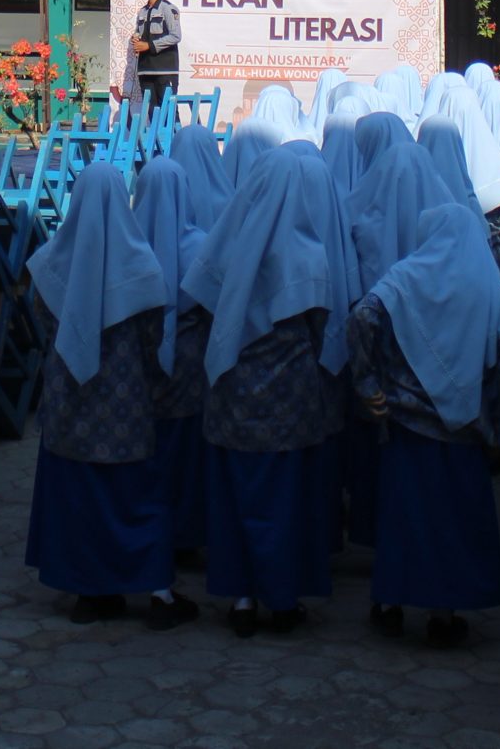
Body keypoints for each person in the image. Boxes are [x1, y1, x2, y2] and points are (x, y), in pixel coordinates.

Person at [180, 143, 357, 637]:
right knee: (285, 498)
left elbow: (203, 302)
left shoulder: (223, 243)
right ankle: (282, 599)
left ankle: (240, 598)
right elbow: (323, 326)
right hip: (290, 403)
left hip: (233, 393)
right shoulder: (308, 252)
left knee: (237, 492)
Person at [348, 201, 500, 645]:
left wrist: (368, 383)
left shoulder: (407, 276)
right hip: (465, 431)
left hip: (406, 426)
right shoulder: (487, 284)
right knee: (452, 520)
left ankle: (390, 603)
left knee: (404, 515)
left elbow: (362, 317)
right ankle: (443, 614)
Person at [22, 161, 194, 627]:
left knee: (78, 496)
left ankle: (90, 592)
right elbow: (151, 338)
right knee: (135, 496)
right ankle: (157, 592)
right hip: (125, 409)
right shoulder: (143, 268)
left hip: (68, 404)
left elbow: (40, 320)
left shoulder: (50, 262)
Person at [130, 153, 210, 564]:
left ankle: (143, 530)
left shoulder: (127, 243)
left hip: (136, 368)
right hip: (190, 363)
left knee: (145, 448)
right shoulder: (200, 245)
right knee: (184, 449)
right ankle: (183, 535)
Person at [130, 0, 181, 112]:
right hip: (145, 71)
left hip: (165, 71)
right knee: (152, 112)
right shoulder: (142, 12)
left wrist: (149, 45)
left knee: (168, 112)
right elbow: (138, 32)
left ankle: (174, 135)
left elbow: (176, 36)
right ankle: (155, 135)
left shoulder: (168, 9)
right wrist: (135, 39)